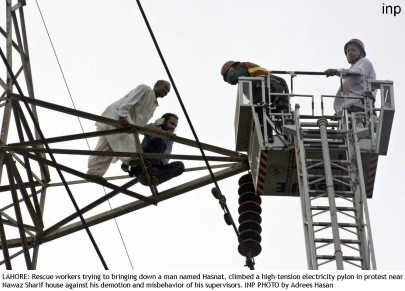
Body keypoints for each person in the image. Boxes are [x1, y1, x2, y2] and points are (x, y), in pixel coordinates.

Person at [87, 80, 171, 178]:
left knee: (107, 147)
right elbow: (130, 100)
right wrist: (122, 116)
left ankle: (94, 173)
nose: (166, 92)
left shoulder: (154, 105)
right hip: (118, 115)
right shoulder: (145, 89)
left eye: (168, 91)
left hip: (127, 121)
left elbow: (141, 120)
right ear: (156, 85)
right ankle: (134, 159)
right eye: (165, 88)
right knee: (130, 142)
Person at [122, 113, 185, 186]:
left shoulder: (170, 140)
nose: (173, 127)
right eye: (172, 123)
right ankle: (145, 173)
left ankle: (154, 179)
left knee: (180, 166)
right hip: (143, 163)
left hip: (157, 169)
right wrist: (165, 133)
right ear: (163, 121)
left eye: (175, 126)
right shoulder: (156, 128)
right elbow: (147, 128)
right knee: (159, 141)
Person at [325, 39, 376, 117]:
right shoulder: (351, 71)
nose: (350, 52)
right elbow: (345, 93)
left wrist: (336, 71)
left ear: (361, 53)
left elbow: (357, 74)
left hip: (360, 108)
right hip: (350, 110)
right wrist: (339, 113)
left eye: (353, 50)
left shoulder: (365, 62)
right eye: (348, 51)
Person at [220, 61, 289, 111]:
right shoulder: (246, 81)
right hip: (275, 89)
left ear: (232, 68)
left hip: (269, 87)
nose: (228, 80)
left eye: (228, 76)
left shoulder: (242, 67)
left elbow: (233, 79)